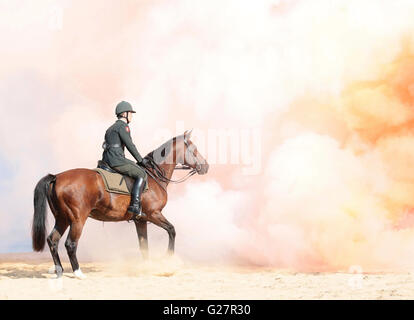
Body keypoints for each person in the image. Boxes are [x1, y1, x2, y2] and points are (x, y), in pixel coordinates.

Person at [101, 101, 149, 220]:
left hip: (107, 159)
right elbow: (130, 145)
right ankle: (135, 206)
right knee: (141, 173)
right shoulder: (123, 127)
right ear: (124, 114)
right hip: (116, 160)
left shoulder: (110, 128)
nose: (132, 116)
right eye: (130, 113)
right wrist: (140, 160)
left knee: (134, 166)